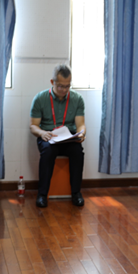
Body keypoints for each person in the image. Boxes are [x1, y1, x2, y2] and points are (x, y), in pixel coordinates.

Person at [29, 64, 86, 208]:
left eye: (67, 86)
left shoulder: (77, 99)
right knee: (48, 152)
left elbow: (80, 124)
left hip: (68, 138)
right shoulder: (40, 98)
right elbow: (33, 126)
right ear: (52, 82)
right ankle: (42, 195)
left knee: (78, 152)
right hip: (48, 136)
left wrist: (82, 133)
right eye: (60, 86)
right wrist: (42, 133)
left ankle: (76, 193)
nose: (64, 90)